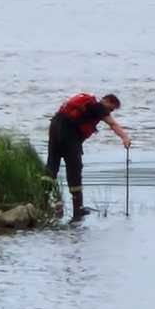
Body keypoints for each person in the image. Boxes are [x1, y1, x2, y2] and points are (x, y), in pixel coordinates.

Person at [45, 92, 130, 220]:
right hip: (69, 133)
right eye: (111, 108)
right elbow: (112, 124)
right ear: (106, 101)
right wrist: (124, 137)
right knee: (75, 168)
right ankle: (78, 209)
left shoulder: (86, 105)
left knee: (52, 165)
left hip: (55, 126)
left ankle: (41, 200)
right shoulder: (99, 107)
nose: (110, 112)